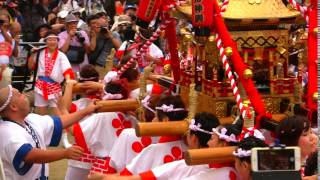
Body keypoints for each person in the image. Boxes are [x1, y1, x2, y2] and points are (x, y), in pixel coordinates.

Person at [0, 84, 100, 180]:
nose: (24, 95)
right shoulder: (7, 132)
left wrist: (87, 110)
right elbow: (30, 155)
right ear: (14, 107)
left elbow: (61, 122)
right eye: (19, 94)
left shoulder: (29, 119)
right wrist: (64, 153)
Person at [28, 32, 74, 115]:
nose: (52, 42)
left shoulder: (61, 55)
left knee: (59, 113)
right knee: (40, 114)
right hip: (40, 85)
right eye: (50, 39)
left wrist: (68, 80)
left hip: (55, 86)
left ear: (57, 42)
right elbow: (31, 66)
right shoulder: (40, 52)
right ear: (45, 41)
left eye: (54, 40)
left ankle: (61, 127)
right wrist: (33, 54)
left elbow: (66, 69)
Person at [88, 11, 121, 78]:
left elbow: (120, 47)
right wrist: (95, 35)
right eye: (101, 26)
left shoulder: (114, 34)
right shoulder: (96, 35)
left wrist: (110, 36)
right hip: (99, 65)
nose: (104, 28)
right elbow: (92, 48)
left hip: (112, 66)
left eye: (105, 25)